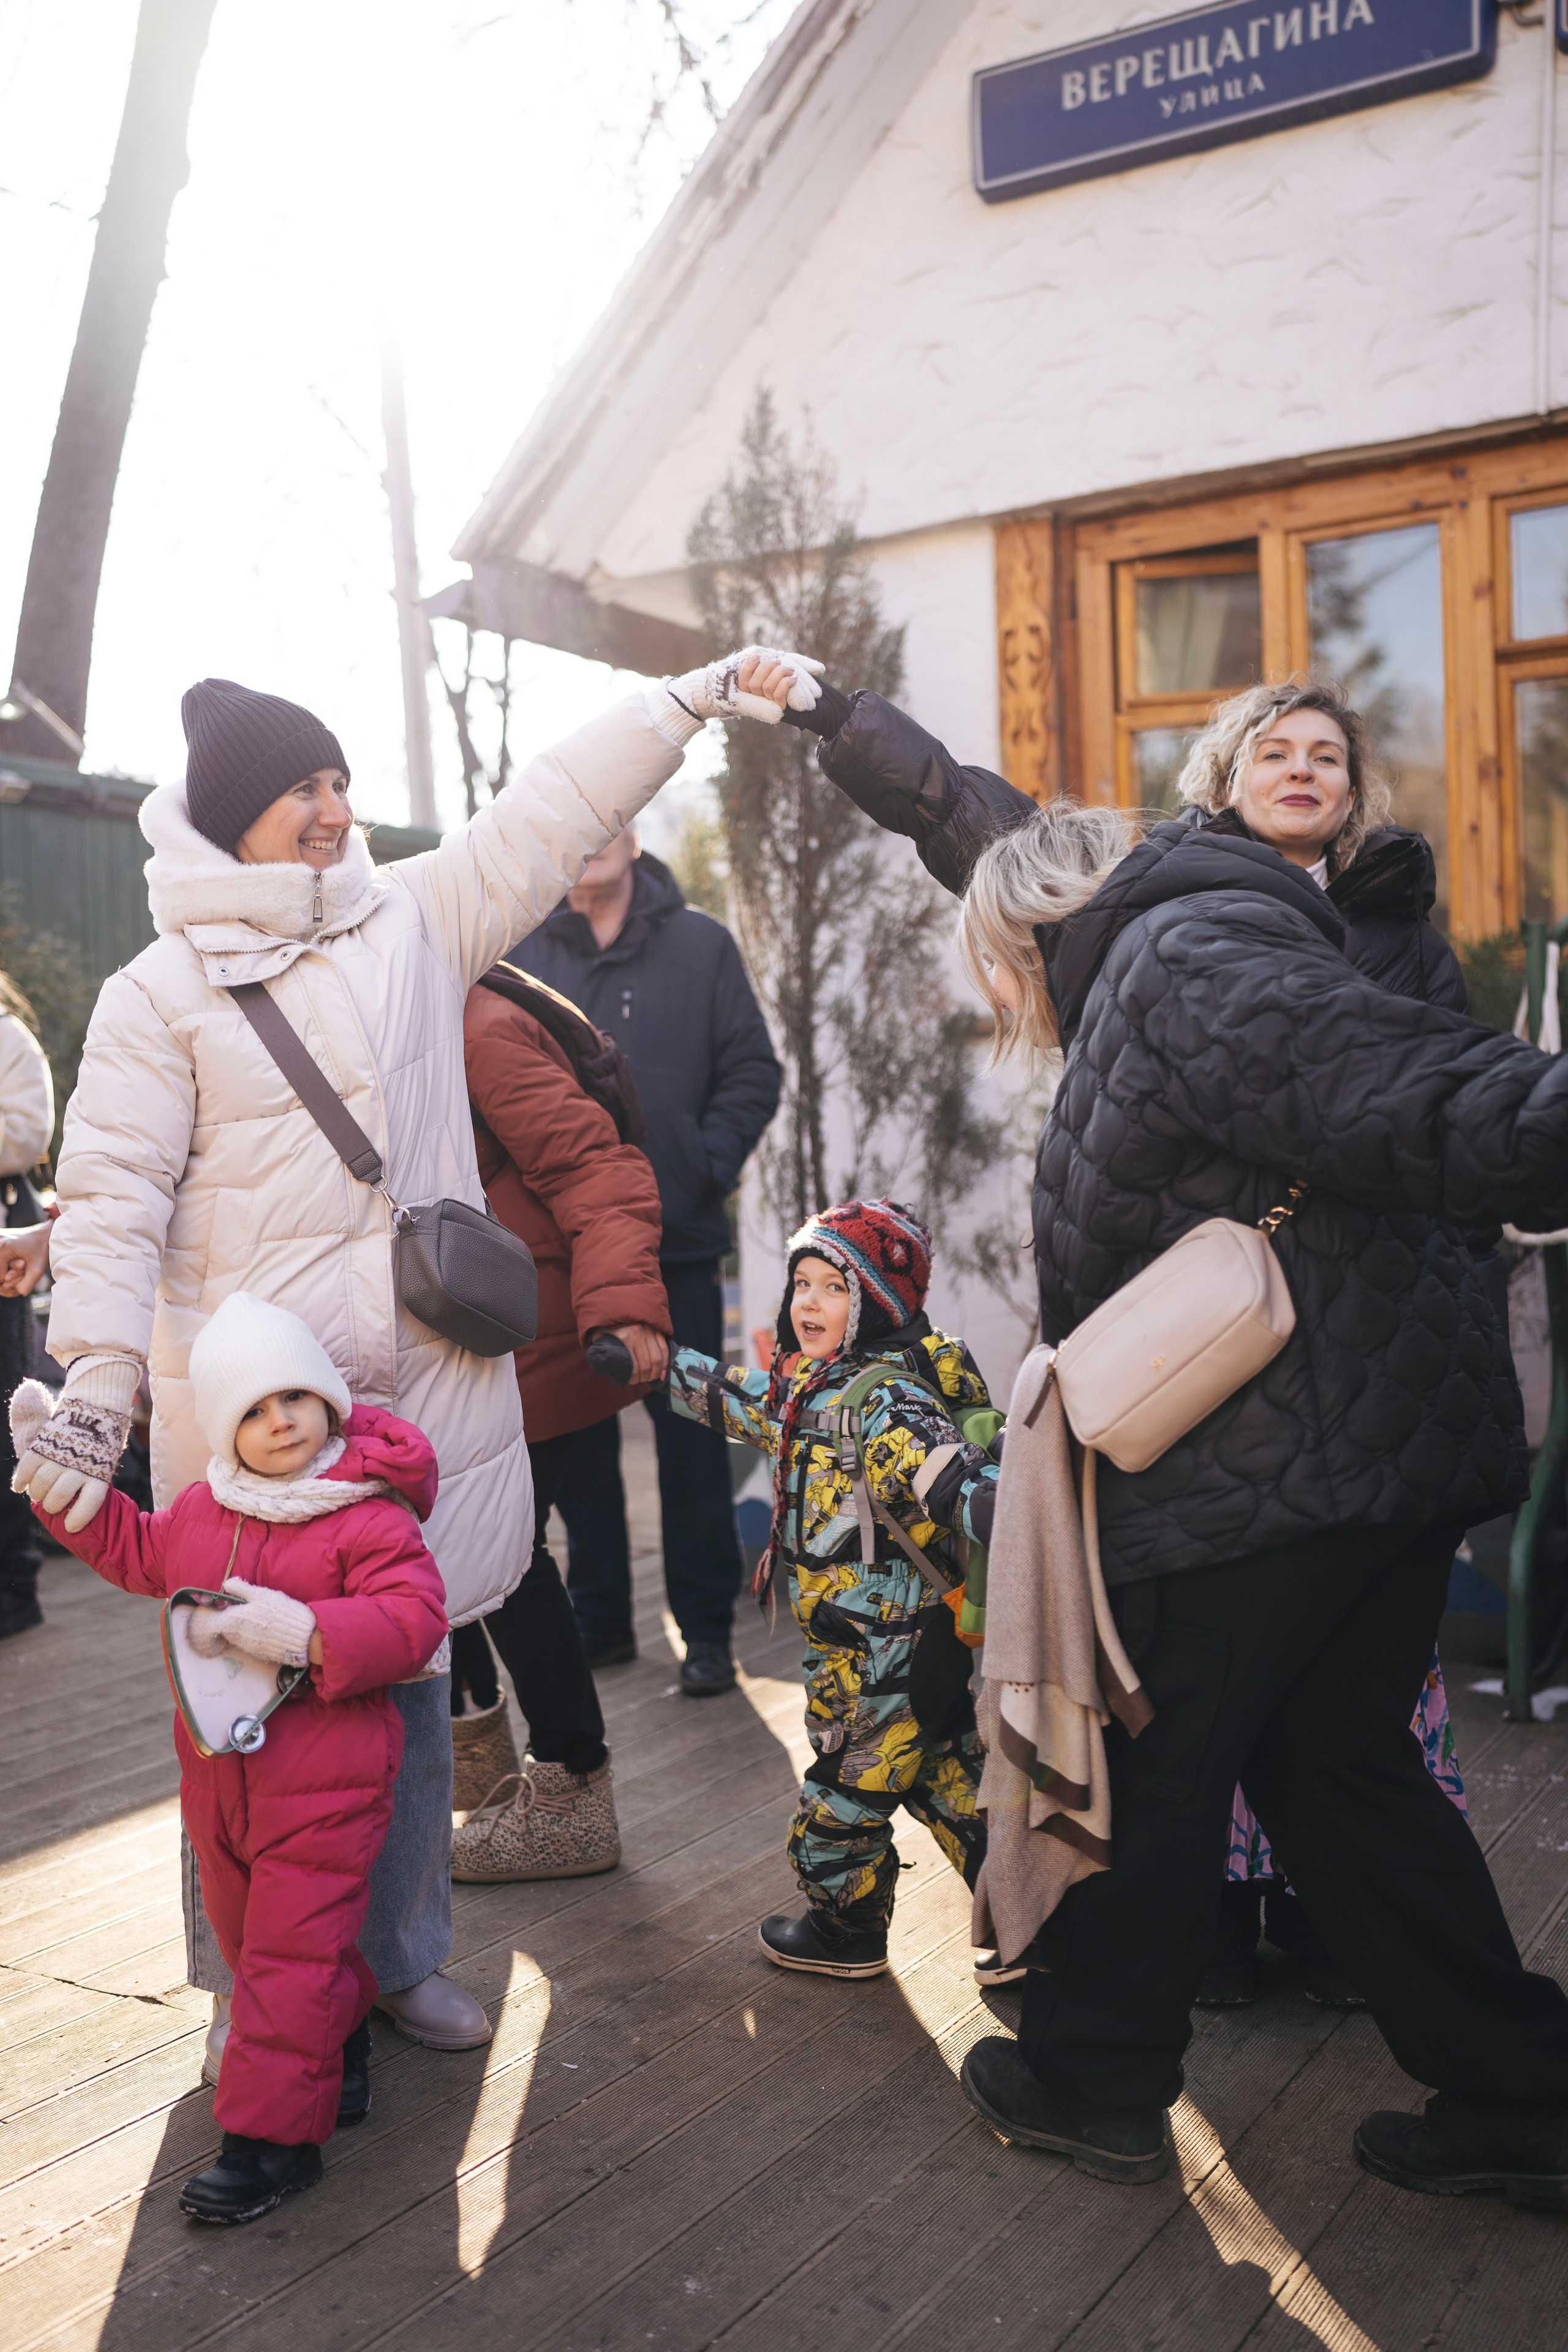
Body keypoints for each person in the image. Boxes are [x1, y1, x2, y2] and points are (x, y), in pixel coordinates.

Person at [788, 665, 1568, 2206]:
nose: (1005, 1003)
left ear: (1037, 930)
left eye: (995, 966)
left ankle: (1089, 2080)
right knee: (1339, 1773)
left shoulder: (1177, 955)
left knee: (1152, 1760)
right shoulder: (1174, 933)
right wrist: (840, 719)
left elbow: (1411, 1088)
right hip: (1360, 1448)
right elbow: (989, 831)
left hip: (1277, 1466)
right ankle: (1520, 2095)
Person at [13, 649, 817, 2069]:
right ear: (231, 817)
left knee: (405, 1688)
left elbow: (544, 811)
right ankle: (248, 1986)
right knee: (240, 1709)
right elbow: (116, 1196)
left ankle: (398, 1960)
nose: (335, 809)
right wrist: (96, 1379)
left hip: (422, 1400)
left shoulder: (414, 919)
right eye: (302, 790)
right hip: (256, 1424)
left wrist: (680, 703)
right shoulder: (155, 993)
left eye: (339, 779)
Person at [11, 1292, 449, 2225]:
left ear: (326, 1400)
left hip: (327, 1785)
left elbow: (413, 1620)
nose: (279, 1421)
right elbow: (133, 1549)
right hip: (219, 1783)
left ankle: (270, 2145)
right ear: (222, 1426)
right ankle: (341, 2048)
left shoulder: (366, 1515)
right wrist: (58, 1482)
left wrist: (307, 1632)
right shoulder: (203, 1511)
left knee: (286, 1961)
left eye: (294, 1397)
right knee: (262, 1950)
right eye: (252, 1409)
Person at [662, 1197, 1000, 1979]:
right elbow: (753, 1402)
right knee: (951, 1782)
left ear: (876, 1302)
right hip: (890, 1646)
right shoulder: (822, 1386)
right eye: (802, 1283)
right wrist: (658, 1365)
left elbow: (954, 1478)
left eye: (835, 1287)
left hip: (887, 1654)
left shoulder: (885, 1400)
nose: (808, 1303)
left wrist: (985, 1501)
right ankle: (1038, 1930)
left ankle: (845, 1935)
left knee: (840, 1804)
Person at [507, 826, 782, 1696]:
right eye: (571, 825)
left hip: (679, 1244)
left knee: (692, 1443)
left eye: (605, 821)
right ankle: (602, 1620)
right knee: (578, 1443)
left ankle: (707, 1631)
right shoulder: (517, 953)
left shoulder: (701, 945)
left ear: (631, 832)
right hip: (565, 1256)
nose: (588, 841)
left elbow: (754, 1072)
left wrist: (697, 1169)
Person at [445, 961, 671, 1880]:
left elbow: (592, 1166)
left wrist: (622, 1307)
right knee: (451, 1545)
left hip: (524, 1333)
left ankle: (571, 1787)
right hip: (474, 1333)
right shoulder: (412, 1019)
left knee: (498, 1553)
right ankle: (485, 1775)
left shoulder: (478, 1025)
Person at [0, 979, 53, 1641]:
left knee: (4, 1411)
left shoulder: (7, 1037)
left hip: (6, 1245)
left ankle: (15, 1585)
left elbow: (25, 1135)